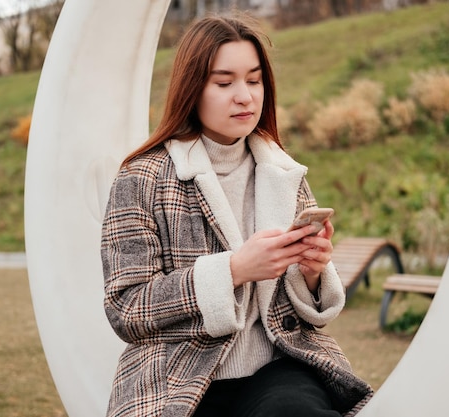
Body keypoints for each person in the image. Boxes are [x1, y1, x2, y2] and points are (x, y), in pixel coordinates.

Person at [101, 12, 373, 417]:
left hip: (279, 367)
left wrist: (313, 271)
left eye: (255, 79)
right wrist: (234, 269)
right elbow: (127, 307)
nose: (244, 96)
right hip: (175, 373)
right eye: (224, 82)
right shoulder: (141, 177)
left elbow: (302, 310)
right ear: (192, 89)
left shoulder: (283, 172)